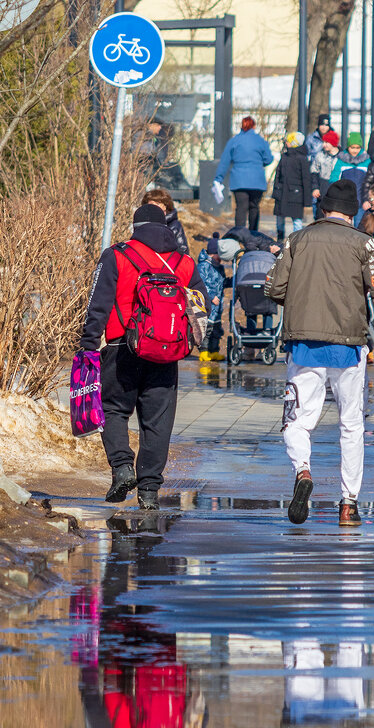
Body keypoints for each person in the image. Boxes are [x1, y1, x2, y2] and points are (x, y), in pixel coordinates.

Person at [264, 179, 374, 527]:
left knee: (297, 421)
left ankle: (303, 471)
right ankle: (348, 504)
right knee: (351, 425)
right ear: (353, 213)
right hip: (349, 346)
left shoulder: (297, 239)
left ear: (323, 210)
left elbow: (272, 287)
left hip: (303, 345)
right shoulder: (365, 244)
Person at [80, 204, 207, 509]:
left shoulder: (117, 255)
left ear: (135, 227)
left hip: (122, 347)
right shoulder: (184, 263)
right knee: (158, 422)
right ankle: (148, 490)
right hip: (166, 353)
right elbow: (202, 306)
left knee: (113, 410)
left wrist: (88, 344)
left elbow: (98, 303)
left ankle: (122, 467)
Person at [214, 116, 274, 230]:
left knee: (241, 208)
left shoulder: (234, 140)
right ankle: (253, 235)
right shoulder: (261, 141)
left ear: (242, 125)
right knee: (254, 207)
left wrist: (218, 178)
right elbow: (269, 159)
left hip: (239, 180)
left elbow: (225, 161)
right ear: (254, 126)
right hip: (257, 181)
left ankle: (239, 235)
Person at [273, 131, 313, 241]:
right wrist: (276, 191)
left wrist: (307, 200)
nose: (286, 143)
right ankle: (280, 239)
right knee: (280, 218)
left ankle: (296, 241)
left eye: (289, 141)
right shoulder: (284, 157)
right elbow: (278, 175)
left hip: (296, 195)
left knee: (297, 220)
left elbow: (306, 179)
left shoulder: (302, 159)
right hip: (282, 193)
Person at [196, 235, 227, 360]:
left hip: (217, 307)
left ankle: (214, 351)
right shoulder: (203, 266)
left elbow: (222, 282)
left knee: (216, 330)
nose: (221, 259)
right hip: (207, 306)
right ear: (213, 254)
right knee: (206, 330)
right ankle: (204, 351)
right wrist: (211, 296)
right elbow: (201, 284)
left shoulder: (219, 267)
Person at [330, 132, 372, 223]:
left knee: (360, 225)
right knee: (344, 225)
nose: (355, 150)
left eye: (357, 148)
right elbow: (334, 178)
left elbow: (370, 180)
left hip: (361, 199)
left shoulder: (366, 161)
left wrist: (369, 198)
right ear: (348, 147)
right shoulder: (341, 160)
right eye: (352, 147)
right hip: (344, 199)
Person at [142, 188, 189, 256]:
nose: (154, 207)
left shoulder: (174, 226)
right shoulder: (143, 225)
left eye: (158, 203)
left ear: (165, 206)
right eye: (151, 204)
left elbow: (183, 250)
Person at [311, 130, 341, 214]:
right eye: (323, 142)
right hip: (323, 190)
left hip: (337, 192)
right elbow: (314, 172)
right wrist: (315, 188)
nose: (324, 145)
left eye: (327, 142)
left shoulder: (342, 157)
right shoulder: (320, 156)